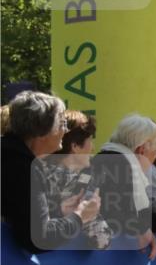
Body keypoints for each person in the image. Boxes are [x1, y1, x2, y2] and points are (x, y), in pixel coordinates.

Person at [1, 91, 101, 252]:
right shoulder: (22, 167)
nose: (66, 130)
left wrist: (59, 211)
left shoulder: (12, 157)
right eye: (62, 123)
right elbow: (39, 239)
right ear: (42, 131)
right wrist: (79, 217)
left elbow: (21, 215)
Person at [90, 114, 156, 259]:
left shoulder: (99, 158)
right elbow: (123, 217)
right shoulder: (123, 165)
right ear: (142, 150)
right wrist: (144, 232)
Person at [39, 110, 114, 249]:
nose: (93, 147)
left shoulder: (35, 171)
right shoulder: (72, 185)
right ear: (75, 146)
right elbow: (102, 239)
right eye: (90, 140)